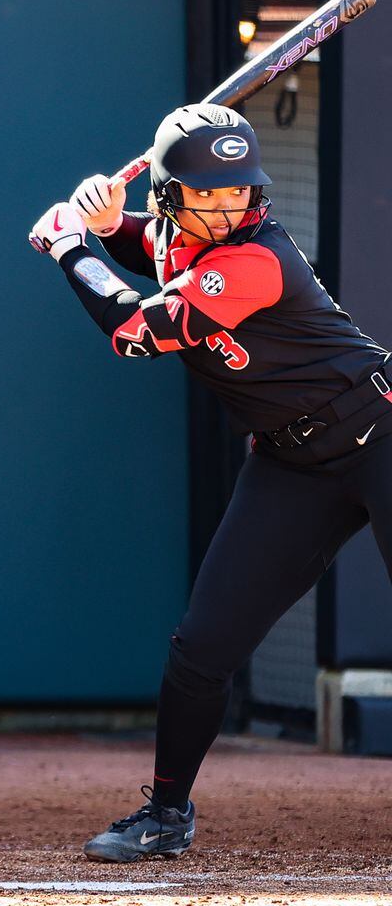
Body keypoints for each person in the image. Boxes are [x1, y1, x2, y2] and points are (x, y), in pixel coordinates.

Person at [30, 103, 392, 861]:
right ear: (170, 197)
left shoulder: (256, 257)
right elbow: (145, 241)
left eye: (240, 191)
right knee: (202, 648)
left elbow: (136, 331)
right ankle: (166, 815)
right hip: (293, 464)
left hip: (381, 433)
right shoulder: (169, 228)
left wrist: (70, 246)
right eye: (209, 193)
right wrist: (104, 220)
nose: (230, 206)